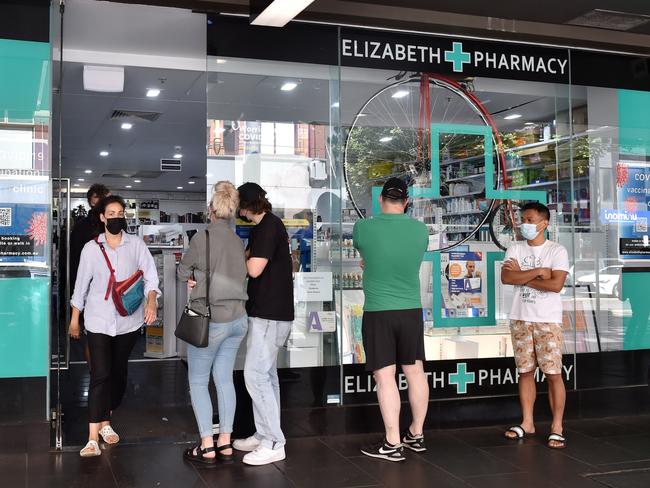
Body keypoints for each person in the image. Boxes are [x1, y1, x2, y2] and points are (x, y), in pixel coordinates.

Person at [69, 195, 160, 457]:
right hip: (97, 320)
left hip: (128, 322)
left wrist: (151, 301)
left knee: (118, 375)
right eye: (111, 213)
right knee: (100, 375)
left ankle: (106, 421)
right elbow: (80, 286)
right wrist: (75, 319)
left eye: (120, 213)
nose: (116, 217)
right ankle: (92, 437)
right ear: (102, 217)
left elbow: (150, 276)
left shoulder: (136, 245)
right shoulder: (91, 248)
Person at [353, 177, 429, 462]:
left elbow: (365, 254)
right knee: (415, 372)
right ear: (406, 202)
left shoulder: (364, 227)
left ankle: (392, 442)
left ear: (381, 200)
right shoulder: (420, 230)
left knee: (386, 377)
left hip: (379, 311)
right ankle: (416, 434)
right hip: (411, 310)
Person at [177, 181, 249, 465]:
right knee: (224, 379)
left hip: (212, 320)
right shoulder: (237, 240)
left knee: (197, 380)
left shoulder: (201, 238)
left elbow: (183, 272)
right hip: (238, 320)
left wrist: (194, 275)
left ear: (211, 210)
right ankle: (226, 442)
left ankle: (207, 443)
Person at [232, 182, 294, 466]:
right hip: (269, 311)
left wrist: (233, 264)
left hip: (270, 313)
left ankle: (273, 441)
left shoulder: (268, 227)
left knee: (255, 375)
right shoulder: (267, 226)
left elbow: (254, 269)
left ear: (246, 204)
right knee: (267, 376)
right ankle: (264, 433)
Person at [501, 202, 570, 450]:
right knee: (525, 372)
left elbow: (555, 286)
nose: (525, 224)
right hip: (520, 317)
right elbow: (507, 278)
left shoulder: (557, 251)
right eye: (523, 219)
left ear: (544, 223)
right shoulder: (515, 247)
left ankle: (557, 427)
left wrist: (524, 275)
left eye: (530, 220)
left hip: (547, 320)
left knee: (553, 374)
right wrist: (539, 272)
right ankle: (527, 422)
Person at [69, 184, 110, 367]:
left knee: (92, 336)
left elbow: (73, 263)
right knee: (95, 336)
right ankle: (98, 375)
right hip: (97, 288)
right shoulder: (93, 227)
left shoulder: (81, 226)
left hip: (96, 288)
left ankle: (97, 375)